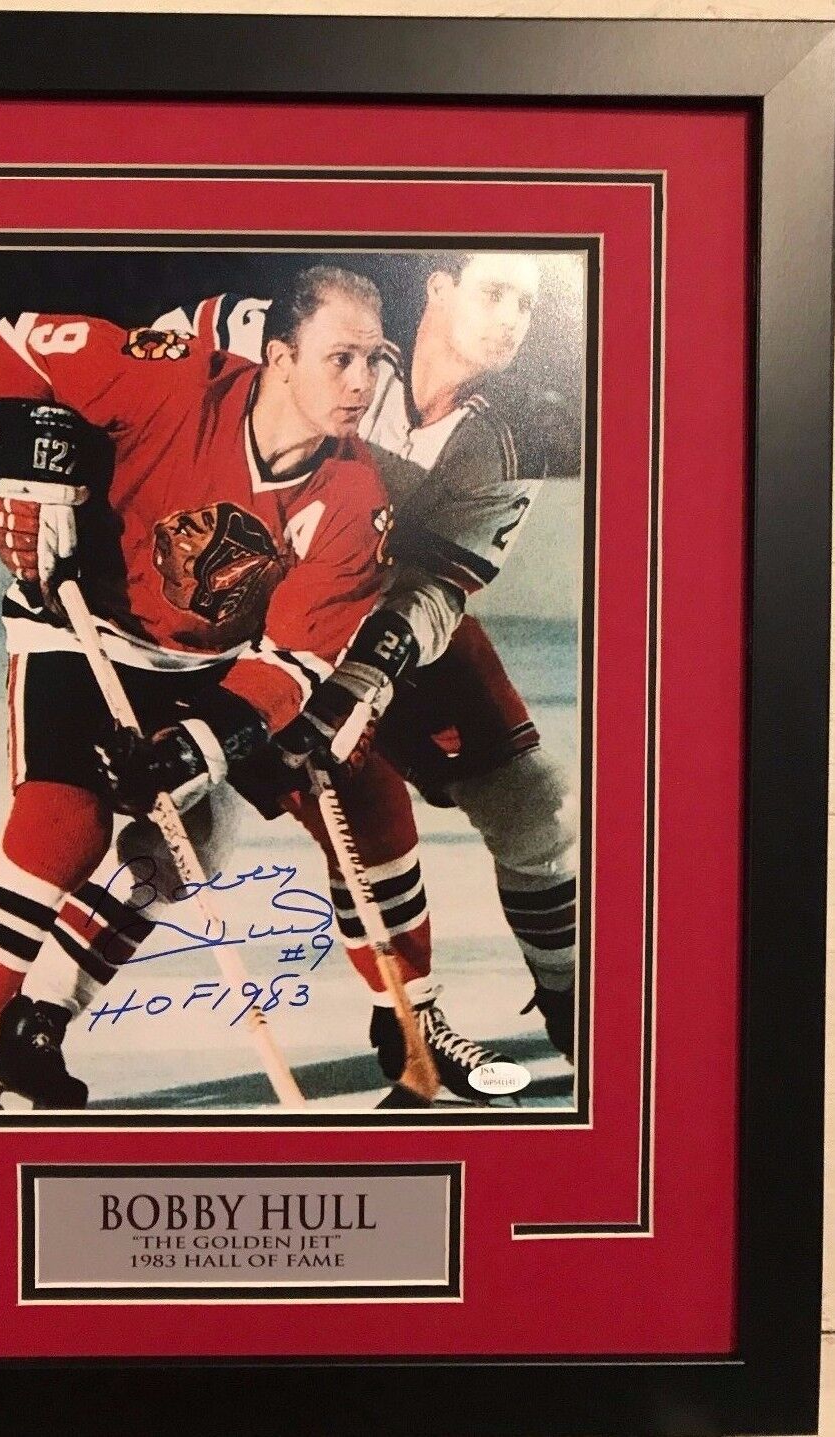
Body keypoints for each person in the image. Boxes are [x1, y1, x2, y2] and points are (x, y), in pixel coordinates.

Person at [0, 265, 404, 1112]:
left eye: (376, 359)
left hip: (204, 666)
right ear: (281, 357)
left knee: (193, 842)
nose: (363, 383)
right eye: (341, 358)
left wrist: (193, 750)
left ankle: (37, 1022)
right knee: (64, 823)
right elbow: (19, 340)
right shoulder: (174, 381)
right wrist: (35, 468)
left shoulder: (357, 497)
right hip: (82, 626)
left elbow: (291, 661)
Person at [150, 253, 580, 1074]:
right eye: (494, 293)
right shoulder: (328, 338)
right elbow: (165, 351)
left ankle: (570, 1000)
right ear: (439, 287)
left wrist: (369, 669)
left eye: (528, 303)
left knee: (534, 805)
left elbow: (443, 582)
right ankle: (26, 1015)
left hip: (386, 623)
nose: (512, 319)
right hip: (261, 619)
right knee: (191, 834)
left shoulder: (512, 430)